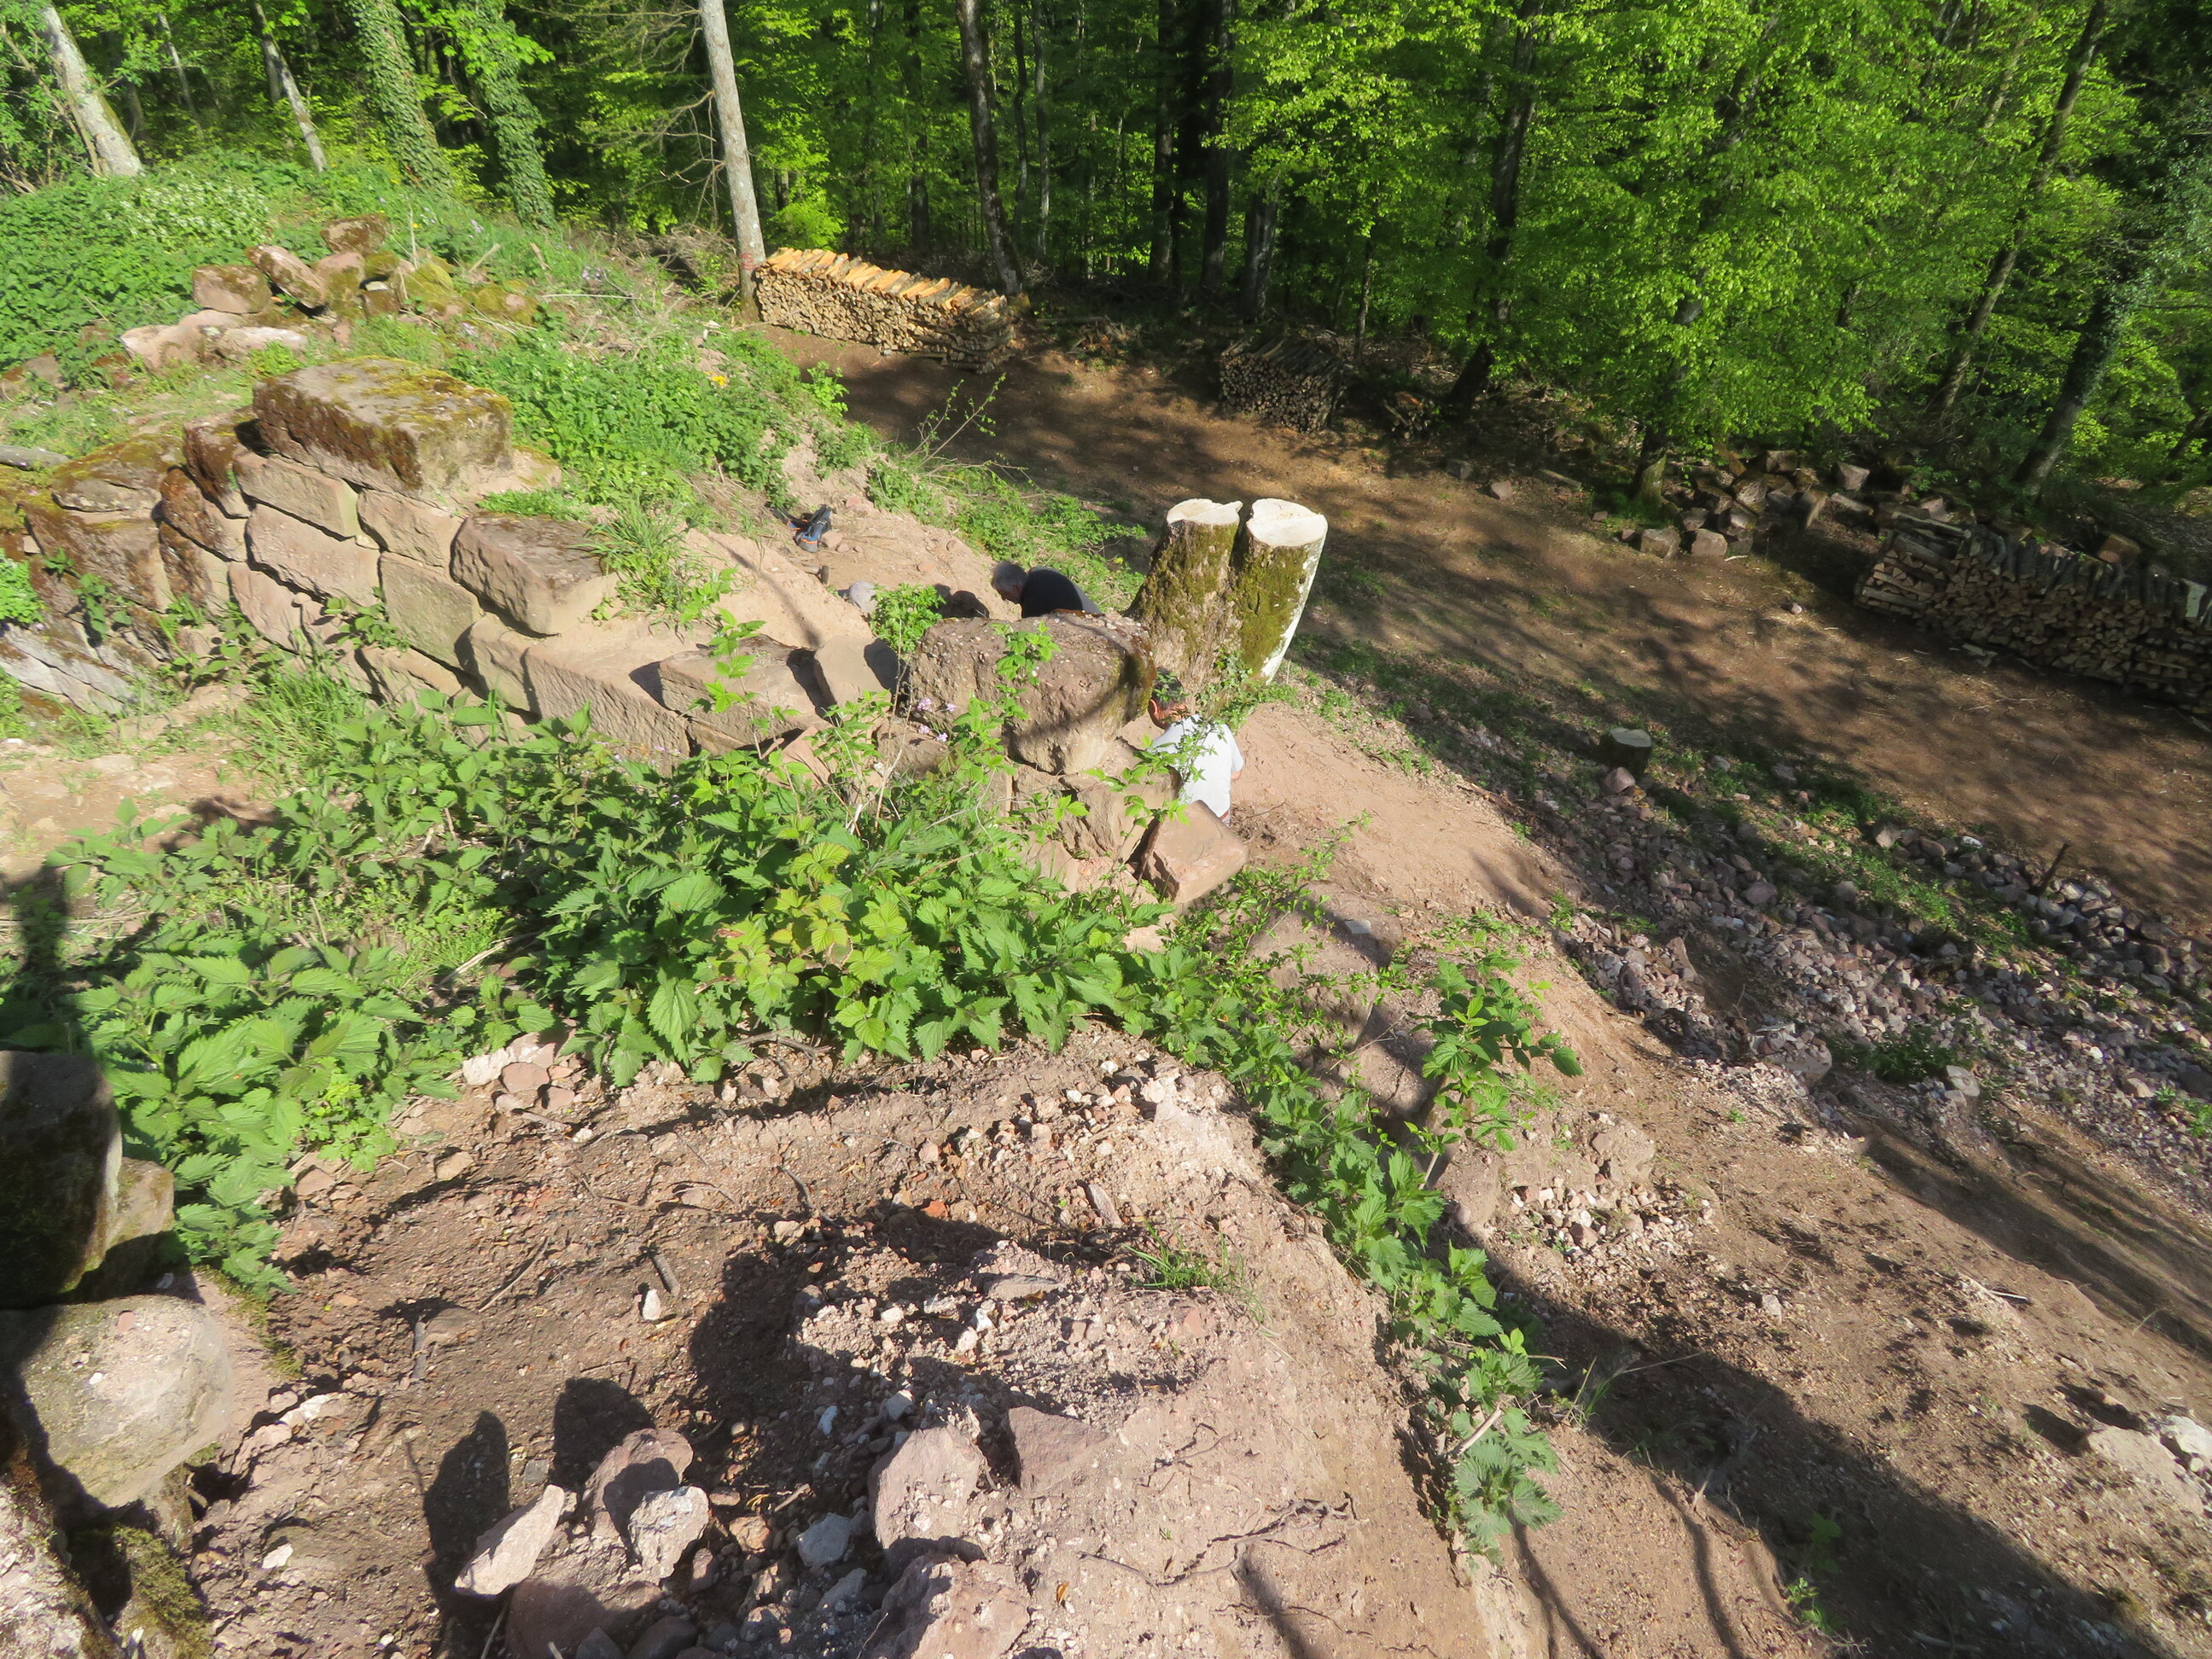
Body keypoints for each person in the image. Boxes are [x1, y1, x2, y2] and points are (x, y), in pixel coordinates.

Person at [1144, 672, 1243, 822]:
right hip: (1222, 821)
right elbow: (1236, 774)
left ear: (1153, 706)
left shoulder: (1156, 750)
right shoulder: (1219, 727)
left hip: (1186, 826)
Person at [991, 561, 1101, 618]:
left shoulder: (1033, 604)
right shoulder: (1039, 571)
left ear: (1017, 588)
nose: (1003, 598)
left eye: (1005, 593)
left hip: (1088, 624)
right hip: (1098, 615)